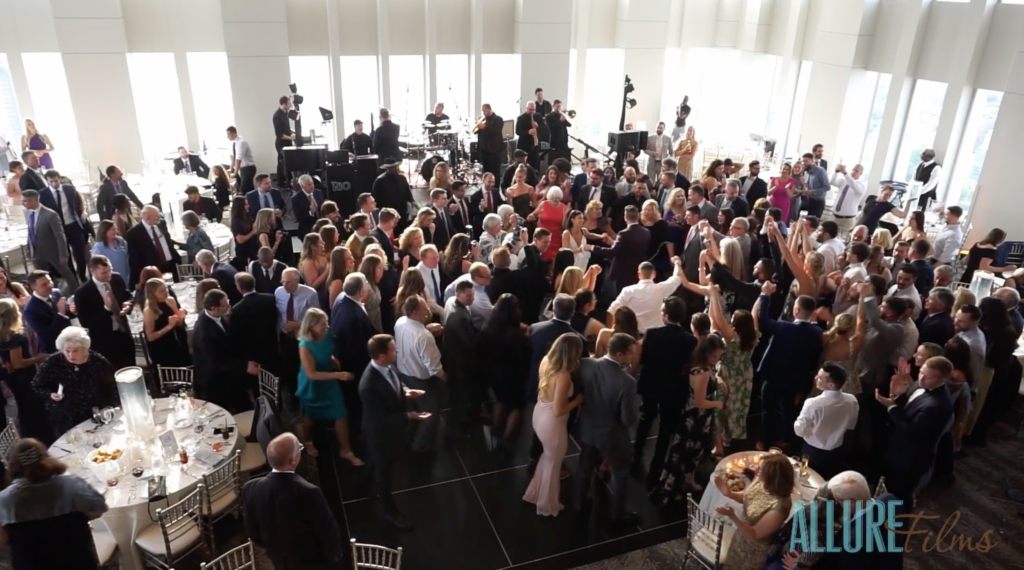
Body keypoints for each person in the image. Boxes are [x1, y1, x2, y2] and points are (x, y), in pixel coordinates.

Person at [0, 438, 109, 570]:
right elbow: (99, 509)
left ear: (13, 466)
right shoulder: (71, 485)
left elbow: (2, 539)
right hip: (77, 562)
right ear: (47, 458)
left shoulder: (4, 500)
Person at [359, 334, 430, 530]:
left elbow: (396, 382)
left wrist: (407, 392)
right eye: (393, 349)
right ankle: (389, 511)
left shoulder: (386, 366)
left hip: (391, 431)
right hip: (380, 435)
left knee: (374, 465)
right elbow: (380, 419)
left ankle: (362, 487)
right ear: (382, 356)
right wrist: (411, 416)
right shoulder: (368, 385)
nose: (396, 351)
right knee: (384, 473)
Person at [242, 433, 342, 570]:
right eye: (299, 448)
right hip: (312, 562)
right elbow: (327, 532)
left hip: (278, 559)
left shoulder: (250, 488)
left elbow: (253, 532)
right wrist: (334, 558)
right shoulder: (309, 492)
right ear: (293, 460)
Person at [650, 334, 726, 503]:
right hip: (696, 419)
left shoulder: (701, 366)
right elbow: (699, 401)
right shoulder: (703, 373)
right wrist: (717, 404)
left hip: (694, 417)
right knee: (686, 454)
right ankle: (675, 488)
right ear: (706, 353)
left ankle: (685, 482)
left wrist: (717, 379)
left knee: (690, 453)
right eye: (713, 355)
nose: (716, 359)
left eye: (719, 356)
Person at [632, 296, 696, 484]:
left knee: (645, 420)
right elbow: (688, 366)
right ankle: (657, 464)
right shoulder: (690, 340)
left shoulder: (651, 334)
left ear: (665, 316)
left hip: (651, 384)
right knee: (666, 429)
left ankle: (637, 454)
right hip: (674, 389)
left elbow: (641, 358)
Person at [874, 356, 954, 504]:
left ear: (942, 381)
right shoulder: (921, 384)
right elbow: (907, 405)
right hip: (896, 448)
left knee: (897, 497)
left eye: (927, 377)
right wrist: (895, 396)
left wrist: (891, 408)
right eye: (921, 372)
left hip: (909, 459)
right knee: (884, 488)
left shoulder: (938, 405)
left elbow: (912, 431)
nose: (921, 379)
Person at [523, 333, 584, 516]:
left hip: (539, 413)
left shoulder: (546, 361)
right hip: (553, 423)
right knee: (554, 463)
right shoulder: (563, 375)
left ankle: (535, 493)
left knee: (547, 458)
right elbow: (559, 409)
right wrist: (579, 400)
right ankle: (547, 504)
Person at [292, 307, 363, 465]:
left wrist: (331, 358)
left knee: (340, 413)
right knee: (310, 418)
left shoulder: (327, 334)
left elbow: (327, 350)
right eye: (321, 325)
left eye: (326, 323)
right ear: (310, 326)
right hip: (313, 385)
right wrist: (340, 375)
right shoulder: (304, 345)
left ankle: (345, 450)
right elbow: (312, 374)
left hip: (328, 380)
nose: (325, 327)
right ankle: (308, 440)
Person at [757, 283, 823, 449]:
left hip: (774, 377)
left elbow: (763, 320)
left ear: (796, 310)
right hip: (796, 380)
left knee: (768, 411)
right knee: (788, 412)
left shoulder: (784, 327)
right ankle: (786, 442)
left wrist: (765, 296)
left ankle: (767, 443)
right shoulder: (818, 333)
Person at [33, 327, 119, 439]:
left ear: (84, 349)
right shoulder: (53, 361)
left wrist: (114, 405)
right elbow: (37, 384)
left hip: (95, 414)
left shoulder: (97, 361)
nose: (70, 355)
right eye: (67, 351)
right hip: (65, 418)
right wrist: (50, 394)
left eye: (75, 351)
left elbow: (113, 385)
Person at [708, 286, 758, 453]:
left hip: (727, 375)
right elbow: (755, 313)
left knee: (720, 408)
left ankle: (719, 446)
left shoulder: (732, 336)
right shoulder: (754, 336)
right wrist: (763, 297)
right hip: (744, 376)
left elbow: (718, 318)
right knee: (736, 408)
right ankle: (729, 438)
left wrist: (713, 294)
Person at [710, 453, 795, 543]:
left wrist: (732, 516)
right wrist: (730, 494)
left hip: (752, 547)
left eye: (760, 469)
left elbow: (754, 534)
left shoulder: (780, 507)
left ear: (773, 475)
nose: (755, 469)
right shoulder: (762, 481)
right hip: (740, 534)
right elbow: (748, 497)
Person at [793, 363, 858, 479]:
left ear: (831, 385)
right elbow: (851, 425)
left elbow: (799, 430)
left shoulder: (813, 403)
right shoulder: (852, 401)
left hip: (811, 452)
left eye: (820, 378)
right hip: (837, 451)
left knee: (804, 475)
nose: (815, 378)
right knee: (826, 480)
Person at [73, 255, 134, 370]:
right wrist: (106, 308)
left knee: (131, 366)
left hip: (124, 333)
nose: (108, 275)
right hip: (105, 340)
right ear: (93, 271)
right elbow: (85, 322)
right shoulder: (82, 293)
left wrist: (128, 304)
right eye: (104, 273)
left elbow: (128, 295)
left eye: (110, 270)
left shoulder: (116, 278)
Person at [0, 299, 49, 440]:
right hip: (24, 378)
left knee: (24, 409)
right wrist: (38, 358)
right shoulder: (15, 337)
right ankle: (40, 438)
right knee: (33, 409)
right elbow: (18, 363)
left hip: (12, 379)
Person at [584, 206, 650, 295]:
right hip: (636, 270)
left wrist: (592, 247)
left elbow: (612, 252)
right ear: (638, 217)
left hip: (622, 273)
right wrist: (613, 243)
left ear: (625, 218)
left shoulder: (623, 234)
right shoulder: (646, 232)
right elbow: (629, 247)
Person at [21, 190, 79, 291]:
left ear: (32, 200)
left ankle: (77, 292)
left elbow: (60, 235)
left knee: (67, 274)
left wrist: (63, 254)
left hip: (53, 252)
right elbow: (30, 231)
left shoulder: (50, 215)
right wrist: (28, 248)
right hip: (37, 253)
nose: (22, 203)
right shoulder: (28, 213)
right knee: (41, 277)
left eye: (24, 201)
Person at [40, 170, 91, 282]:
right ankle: (73, 278)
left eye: (56, 180)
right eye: (51, 181)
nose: (54, 183)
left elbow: (77, 204)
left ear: (60, 179)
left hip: (72, 225)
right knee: (65, 254)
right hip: (57, 228)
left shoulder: (69, 189)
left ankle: (82, 274)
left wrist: (82, 213)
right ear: (47, 181)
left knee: (80, 253)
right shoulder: (43, 194)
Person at [126, 205, 182, 289]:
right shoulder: (134, 233)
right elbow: (134, 258)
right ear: (147, 218)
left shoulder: (162, 223)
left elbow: (168, 241)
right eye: (156, 215)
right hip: (154, 269)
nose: (159, 216)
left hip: (171, 264)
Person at [142, 277, 190, 368]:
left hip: (173, 340)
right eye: (161, 291)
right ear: (153, 294)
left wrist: (181, 316)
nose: (166, 292)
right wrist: (169, 326)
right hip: (160, 347)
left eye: (166, 288)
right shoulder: (149, 311)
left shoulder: (170, 300)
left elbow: (178, 324)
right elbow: (150, 337)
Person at [22, 271, 71, 354]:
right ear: (33, 288)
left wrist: (71, 309)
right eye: (44, 284)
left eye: (50, 281)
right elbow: (46, 335)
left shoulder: (56, 292)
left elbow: (66, 314)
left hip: (70, 339)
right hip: (54, 349)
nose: (49, 286)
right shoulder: (30, 310)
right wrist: (60, 314)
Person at [226, 125, 256, 196]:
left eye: (228, 135)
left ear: (234, 133)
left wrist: (235, 172)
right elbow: (232, 157)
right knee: (248, 188)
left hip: (248, 169)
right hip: (242, 169)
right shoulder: (233, 143)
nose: (227, 137)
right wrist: (231, 169)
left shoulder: (241, 142)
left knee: (244, 189)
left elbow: (238, 159)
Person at [293, 174, 325, 238]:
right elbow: (299, 218)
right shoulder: (296, 198)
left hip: (321, 228)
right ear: (302, 186)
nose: (312, 186)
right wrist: (311, 212)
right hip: (307, 230)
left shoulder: (319, 192)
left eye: (312, 183)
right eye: (309, 184)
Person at [799, 152, 830, 217]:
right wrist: (804, 185)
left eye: (806, 161)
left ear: (812, 161)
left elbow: (827, 187)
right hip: (808, 200)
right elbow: (807, 187)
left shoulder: (821, 171)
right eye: (803, 161)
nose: (804, 163)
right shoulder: (806, 172)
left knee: (812, 224)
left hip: (818, 202)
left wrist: (813, 191)